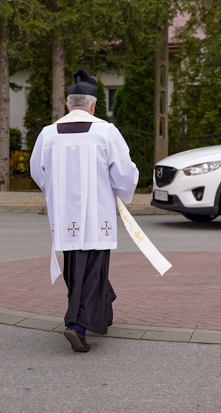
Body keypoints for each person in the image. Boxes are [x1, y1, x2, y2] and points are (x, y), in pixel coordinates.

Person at [30, 69, 139, 353]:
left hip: (66, 215)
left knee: (75, 268)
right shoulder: (106, 132)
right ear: (93, 105)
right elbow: (125, 173)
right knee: (94, 269)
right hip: (97, 214)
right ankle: (76, 324)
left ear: (68, 104)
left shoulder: (48, 133)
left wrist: (55, 193)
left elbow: (37, 172)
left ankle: (103, 307)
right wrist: (121, 192)